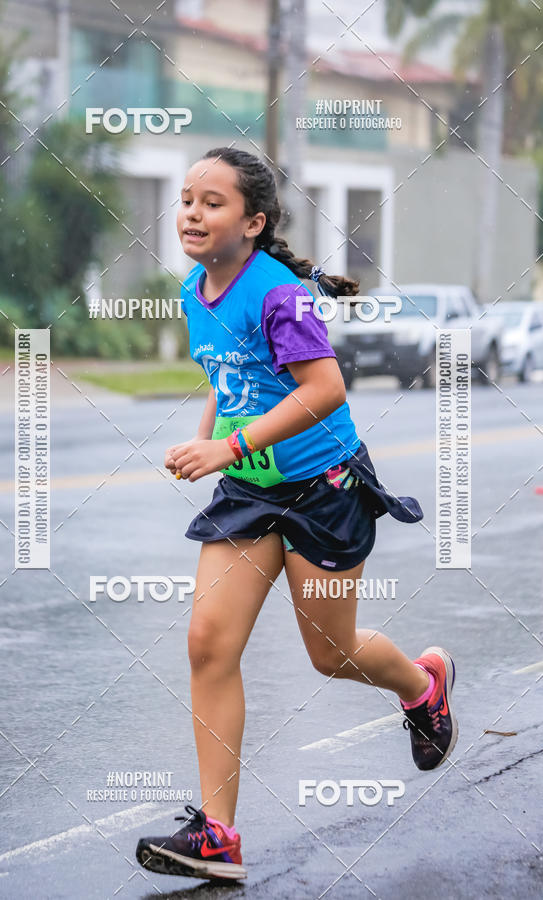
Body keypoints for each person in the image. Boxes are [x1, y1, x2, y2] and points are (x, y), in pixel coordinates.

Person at [136, 147, 457, 883]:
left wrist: (230, 447)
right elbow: (230, 377)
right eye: (186, 198)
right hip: (250, 491)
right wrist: (211, 437)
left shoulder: (279, 294)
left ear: (252, 223)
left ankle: (422, 684)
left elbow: (324, 389)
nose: (190, 211)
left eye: (211, 202)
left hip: (325, 488)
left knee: (332, 655)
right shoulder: (195, 288)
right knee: (208, 644)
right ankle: (219, 836)